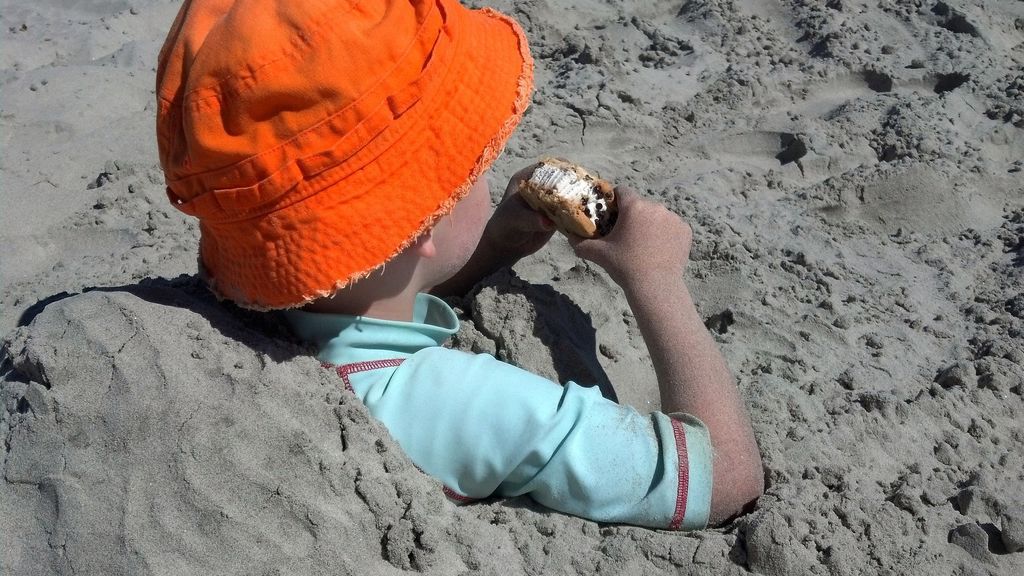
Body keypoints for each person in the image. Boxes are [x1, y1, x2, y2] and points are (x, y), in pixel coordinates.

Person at [155, 0, 763, 530]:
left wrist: (489, 248)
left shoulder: (263, 311)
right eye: (475, 163)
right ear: (425, 228)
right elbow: (724, 478)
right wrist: (655, 278)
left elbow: (365, 297)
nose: (488, 171)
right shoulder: (456, 401)